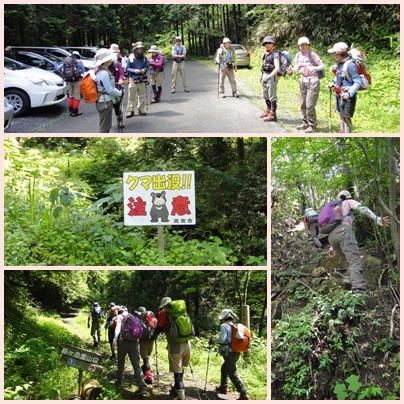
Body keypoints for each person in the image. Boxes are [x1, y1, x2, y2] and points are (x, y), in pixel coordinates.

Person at [325, 190, 391, 295]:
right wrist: (376, 218)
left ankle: (348, 277)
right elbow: (362, 208)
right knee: (355, 260)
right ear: (348, 197)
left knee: (351, 260)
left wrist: (332, 247)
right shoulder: (348, 202)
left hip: (332, 237)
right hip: (344, 232)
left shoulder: (335, 208)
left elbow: (332, 225)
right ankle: (358, 290)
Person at [151, 297, 190, 400]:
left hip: (175, 344)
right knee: (180, 368)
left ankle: (181, 397)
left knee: (177, 372)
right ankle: (176, 388)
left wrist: (153, 336)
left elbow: (159, 327)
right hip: (187, 343)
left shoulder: (164, 313)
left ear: (163, 306)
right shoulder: (182, 311)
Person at [209, 309, 251, 400]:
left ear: (223, 318)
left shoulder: (224, 326)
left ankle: (243, 393)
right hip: (237, 351)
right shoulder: (234, 326)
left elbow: (222, 339)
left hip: (229, 352)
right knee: (224, 368)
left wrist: (213, 340)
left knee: (232, 372)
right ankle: (223, 387)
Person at [286, 37, 324, 133]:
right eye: (301, 45)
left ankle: (312, 125)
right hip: (303, 81)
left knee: (310, 105)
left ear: (308, 45)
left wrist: (313, 68)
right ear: (299, 46)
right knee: (303, 104)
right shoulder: (298, 55)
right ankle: (305, 123)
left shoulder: (312, 54)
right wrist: (291, 70)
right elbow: (297, 68)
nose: (303, 47)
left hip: (313, 81)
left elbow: (322, 66)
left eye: (305, 45)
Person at [112, 305, 148, 395]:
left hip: (123, 342)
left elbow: (117, 329)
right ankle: (142, 386)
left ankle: (119, 382)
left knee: (121, 363)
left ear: (120, 311)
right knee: (136, 365)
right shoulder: (134, 317)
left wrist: (114, 340)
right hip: (134, 343)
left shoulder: (120, 317)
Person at [327, 42, 361, 133]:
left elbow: (357, 81)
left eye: (334, 53)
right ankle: (342, 132)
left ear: (339, 53)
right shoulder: (340, 63)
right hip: (340, 94)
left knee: (346, 117)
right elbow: (338, 75)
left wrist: (349, 93)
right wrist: (333, 82)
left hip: (347, 96)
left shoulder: (350, 65)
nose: (333, 55)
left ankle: (347, 134)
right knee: (341, 115)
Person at [93, 48, 123, 133]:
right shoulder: (104, 73)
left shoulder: (99, 70)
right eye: (109, 58)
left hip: (102, 101)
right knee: (104, 127)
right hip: (105, 103)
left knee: (106, 125)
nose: (110, 60)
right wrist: (120, 93)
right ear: (105, 61)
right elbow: (110, 90)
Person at [56, 51, 85, 117]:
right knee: (77, 95)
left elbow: (58, 68)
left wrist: (66, 74)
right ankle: (76, 112)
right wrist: (77, 72)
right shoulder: (79, 61)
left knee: (70, 95)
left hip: (68, 80)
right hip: (77, 80)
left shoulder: (66, 61)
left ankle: (71, 110)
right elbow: (83, 71)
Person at [259, 35, 280, 122]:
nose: (267, 44)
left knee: (272, 96)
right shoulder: (266, 53)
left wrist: (269, 76)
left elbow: (277, 68)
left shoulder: (275, 54)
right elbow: (264, 65)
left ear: (273, 44)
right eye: (266, 43)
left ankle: (273, 114)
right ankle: (268, 110)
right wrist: (262, 76)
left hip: (272, 77)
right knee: (265, 94)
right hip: (265, 75)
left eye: (269, 43)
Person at [126, 42, 149, 117]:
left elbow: (147, 67)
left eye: (141, 48)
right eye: (139, 49)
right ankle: (130, 110)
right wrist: (134, 71)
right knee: (131, 97)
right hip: (133, 79)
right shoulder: (131, 58)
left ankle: (141, 109)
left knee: (142, 96)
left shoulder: (144, 58)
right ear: (135, 50)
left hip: (142, 79)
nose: (141, 50)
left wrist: (144, 70)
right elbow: (127, 68)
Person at [134, 306, 156, 384]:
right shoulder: (152, 318)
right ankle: (146, 371)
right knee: (146, 357)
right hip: (151, 341)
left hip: (143, 341)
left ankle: (149, 376)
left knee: (145, 359)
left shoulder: (140, 320)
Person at [108, 44, 125, 129]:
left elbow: (122, 74)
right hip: (107, 89)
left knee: (117, 104)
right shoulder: (103, 65)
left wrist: (121, 79)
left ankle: (119, 119)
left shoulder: (117, 64)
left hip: (117, 86)